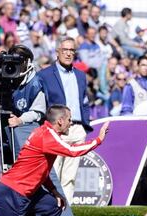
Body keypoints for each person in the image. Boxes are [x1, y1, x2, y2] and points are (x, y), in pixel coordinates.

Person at [0, 105, 109, 216]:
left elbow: (42, 171)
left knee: (53, 205)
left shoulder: (45, 132)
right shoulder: (48, 135)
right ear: (60, 121)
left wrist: (54, 191)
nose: (71, 123)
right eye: (69, 119)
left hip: (27, 191)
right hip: (12, 191)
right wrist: (99, 139)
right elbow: (72, 150)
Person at [38, 36, 91, 205]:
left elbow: (84, 102)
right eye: (65, 50)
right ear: (57, 52)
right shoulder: (45, 75)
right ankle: (50, 211)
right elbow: (41, 103)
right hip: (56, 130)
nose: (68, 54)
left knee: (70, 177)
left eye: (71, 50)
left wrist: (85, 125)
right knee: (52, 174)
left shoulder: (81, 76)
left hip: (76, 129)